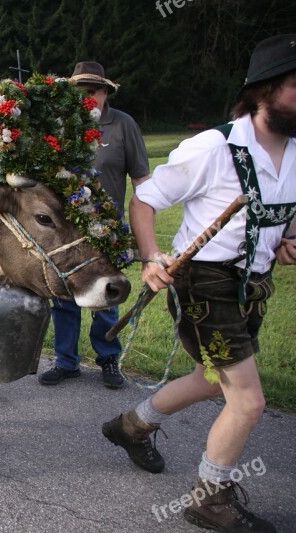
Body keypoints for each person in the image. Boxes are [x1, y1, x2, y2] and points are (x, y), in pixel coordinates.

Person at [102, 34, 296, 532]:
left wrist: (291, 239)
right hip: (202, 284)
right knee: (248, 401)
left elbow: (288, 215)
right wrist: (150, 258)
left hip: (253, 285)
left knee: (212, 380)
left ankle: (130, 426)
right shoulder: (215, 147)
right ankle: (210, 499)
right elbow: (145, 201)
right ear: (264, 91)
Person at [39, 62, 150, 389]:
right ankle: (66, 362)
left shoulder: (122, 125)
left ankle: (108, 360)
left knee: (107, 298)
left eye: (93, 91)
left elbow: (141, 178)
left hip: (107, 231)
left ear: (105, 93)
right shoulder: (60, 127)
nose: (87, 97)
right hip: (67, 232)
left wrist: (144, 226)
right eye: (80, 92)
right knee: (63, 297)